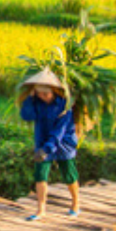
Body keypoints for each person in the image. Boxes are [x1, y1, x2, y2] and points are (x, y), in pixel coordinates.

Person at [18, 67, 80, 221]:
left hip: (63, 143)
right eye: (39, 93)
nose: (43, 96)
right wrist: (30, 99)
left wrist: (47, 149)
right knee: (40, 175)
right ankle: (41, 209)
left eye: (45, 93)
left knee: (69, 174)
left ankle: (75, 204)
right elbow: (27, 116)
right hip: (43, 142)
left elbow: (58, 133)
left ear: (54, 91)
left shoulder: (65, 106)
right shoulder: (36, 103)